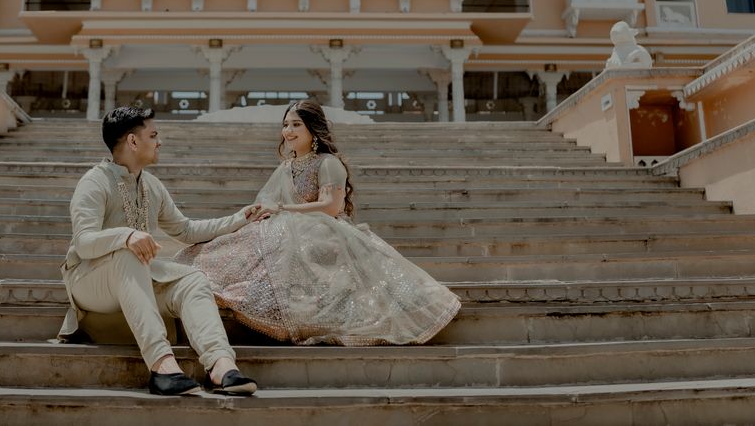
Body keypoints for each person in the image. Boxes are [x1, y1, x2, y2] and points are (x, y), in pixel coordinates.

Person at [175, 99, 461, 345]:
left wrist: (283, 209)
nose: (288, 131)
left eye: (296, 125)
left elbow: (331, 206)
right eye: (286, 125)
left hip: (324, 230)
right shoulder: (285, 167)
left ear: (313, 129)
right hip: (288, 227)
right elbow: (267, 200)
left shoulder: (327, 163)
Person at [57, 106, 265, 396]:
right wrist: (126, 236)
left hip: (136, 277)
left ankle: (221, 366)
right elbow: (84, 242)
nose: (159, 142)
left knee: (192, 279)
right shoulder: (95, 182)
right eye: (153, 135)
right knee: (129, 255)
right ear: (132, 142)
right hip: (89, 281)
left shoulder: (151, 186)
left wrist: (240, 219)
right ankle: (162, 366)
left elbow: (186, 230)